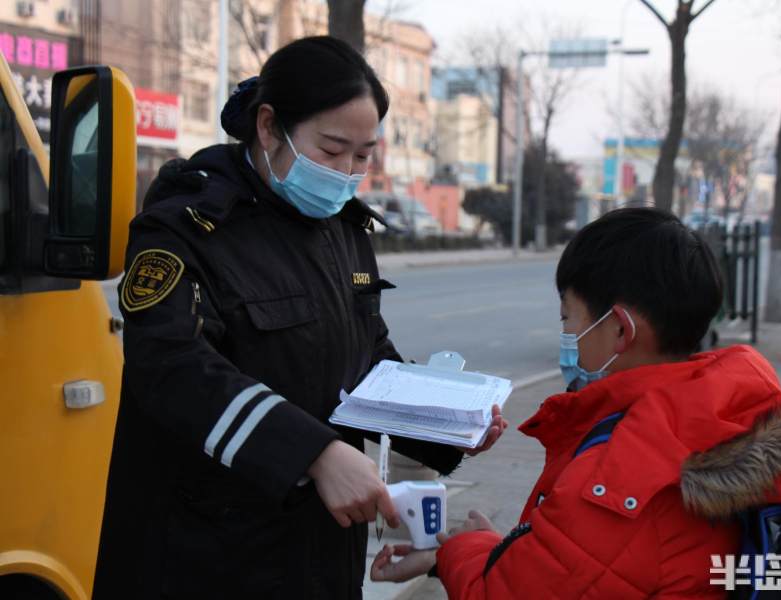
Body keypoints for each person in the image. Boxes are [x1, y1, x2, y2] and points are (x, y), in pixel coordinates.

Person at [92, 36, 506, 600]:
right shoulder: (184, 229)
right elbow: (170, 367)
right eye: (332, 150)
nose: (346, 172)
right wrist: (313, 453)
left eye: (363, 155)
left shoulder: (342, 227)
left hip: (318, 554)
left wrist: (445, 430)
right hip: (202, 556)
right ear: (268, 128)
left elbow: (365, 362)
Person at [371, 208, 781, 598]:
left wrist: (463, 548)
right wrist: (505, 549)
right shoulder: (733, 409)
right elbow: (593, 569)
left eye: (569, 318)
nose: (568, 337)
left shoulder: (621, 472)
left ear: (620, 329)